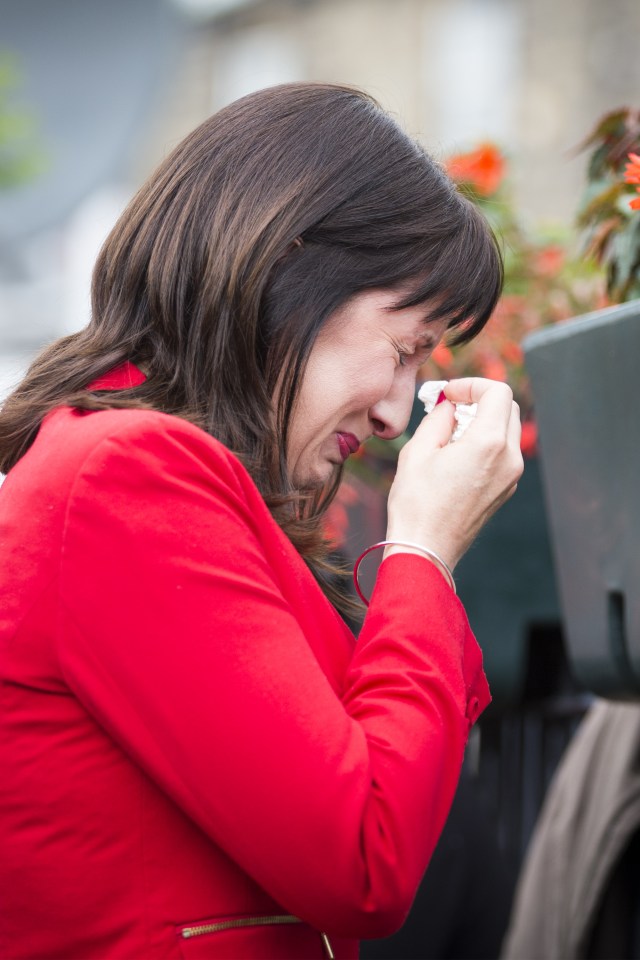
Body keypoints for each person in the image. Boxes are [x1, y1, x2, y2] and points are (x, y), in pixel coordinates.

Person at [0, 82, 523, 959]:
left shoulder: (137, 471)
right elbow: (365, 857)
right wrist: (424, 552)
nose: (400, 413)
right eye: (403, 349)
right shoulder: (126, 475)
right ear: (287, 268)